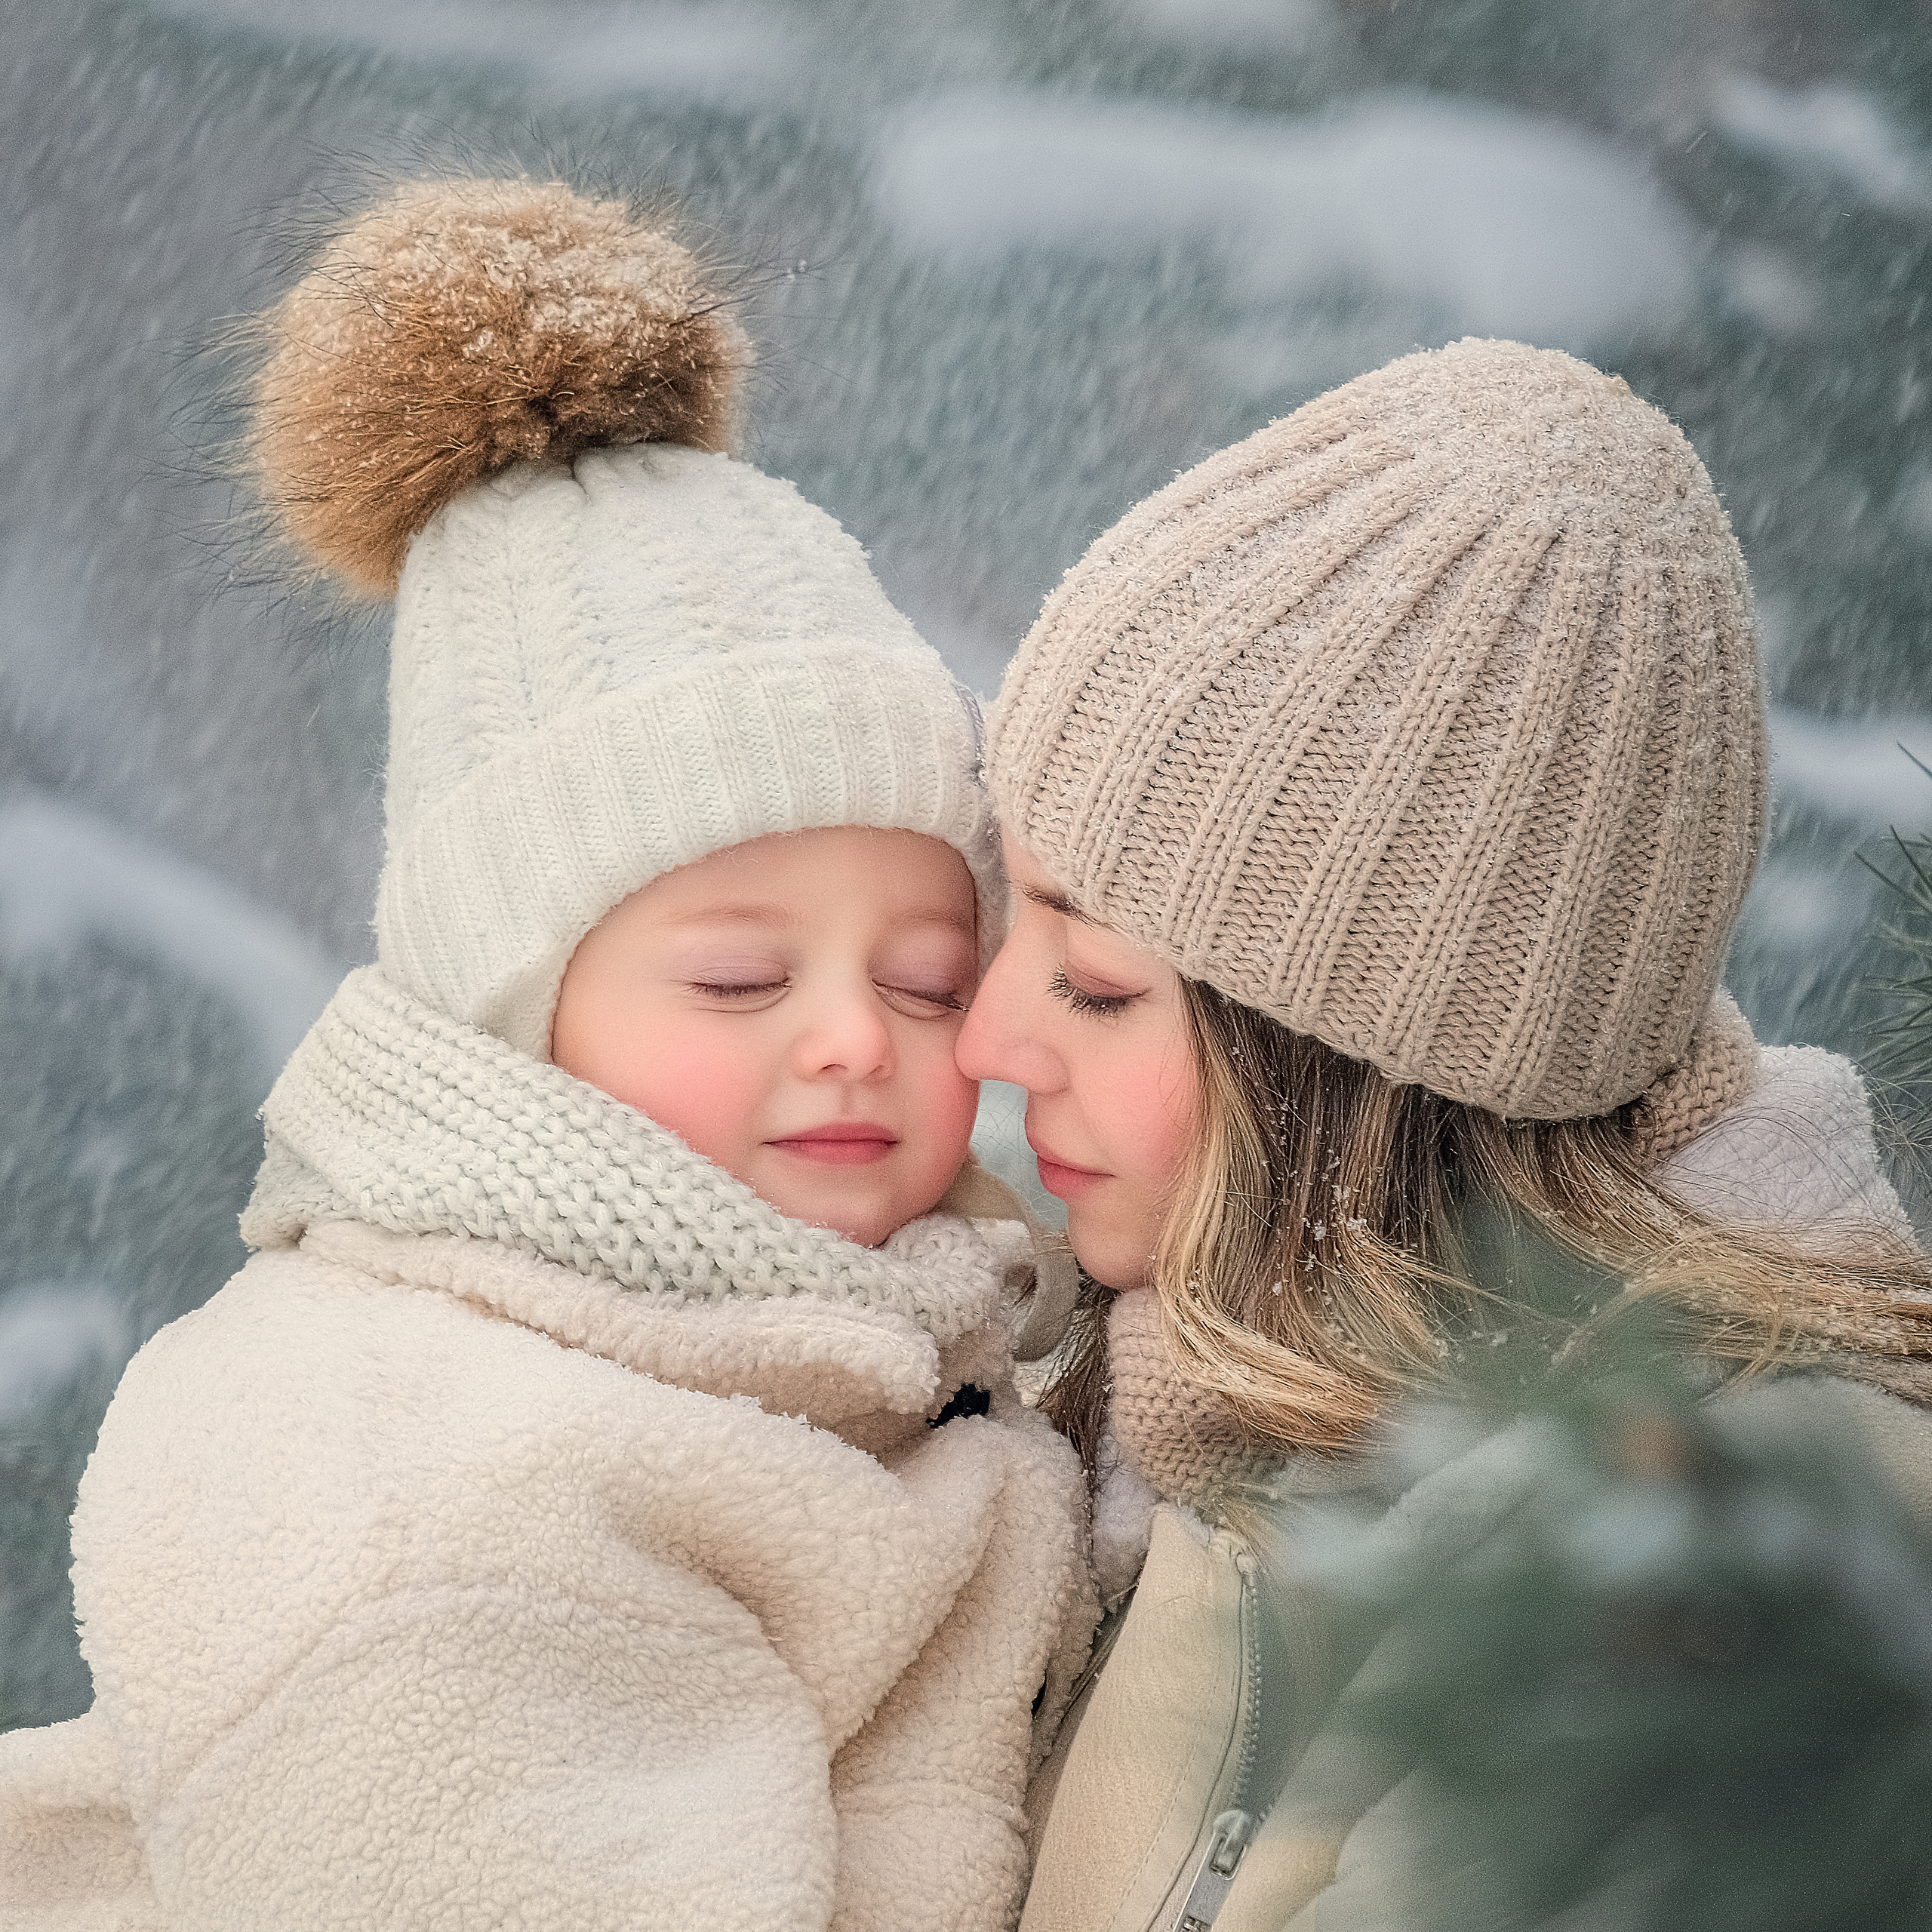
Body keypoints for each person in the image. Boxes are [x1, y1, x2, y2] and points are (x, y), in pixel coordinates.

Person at [0, 179, 1094, 1929]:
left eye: (923, 977)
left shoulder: (906, 1335)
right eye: (739, 980)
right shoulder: (415, 1471)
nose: (849, 1041)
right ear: (514, 1015)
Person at [955, 338, 1932, 1932]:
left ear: (1368, 1074)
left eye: (1093, 980)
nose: (990, 1036)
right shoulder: (1164, 1407)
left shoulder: (1706, 1600)